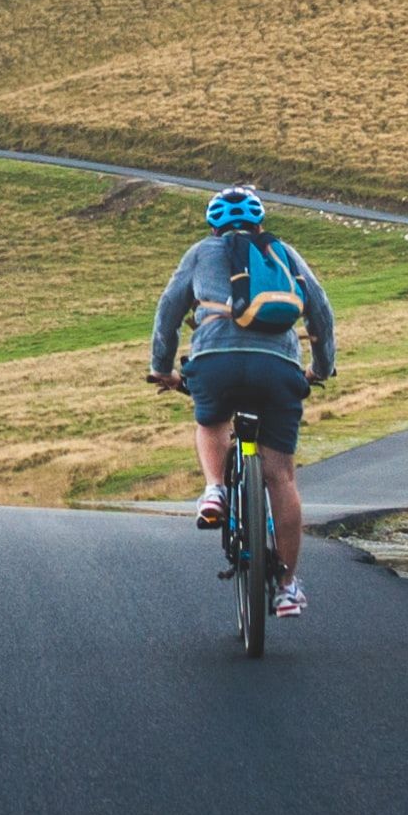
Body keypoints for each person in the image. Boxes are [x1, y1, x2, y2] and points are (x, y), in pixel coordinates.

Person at [148, 186, 334, 621]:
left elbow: (169, 311)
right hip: (279, 368)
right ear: (260, 223)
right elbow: (320, 313)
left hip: (216, 362)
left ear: (213, 226)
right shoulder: (284, 253)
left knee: (211, 420)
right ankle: (287, 588)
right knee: (281, 477)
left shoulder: (201, 252)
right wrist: (320, 370)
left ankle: (215, 489)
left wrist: (162, 368)